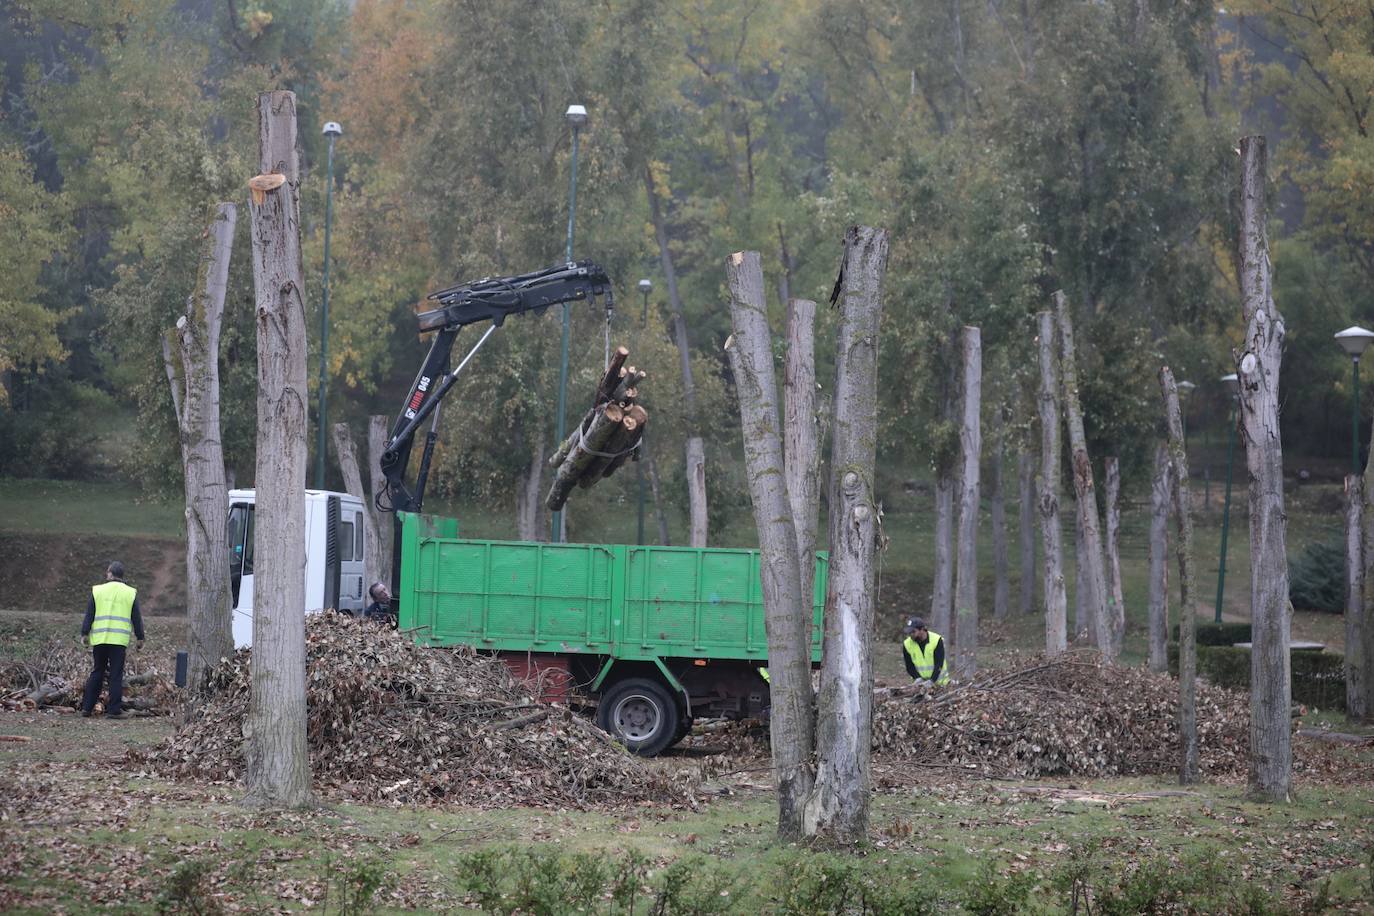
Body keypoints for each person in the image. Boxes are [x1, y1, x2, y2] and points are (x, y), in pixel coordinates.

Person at [80, 561, 145, 718]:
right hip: (118, 641)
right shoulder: (130, 593)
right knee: (116, 675)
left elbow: (90, 613)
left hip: (100, 639)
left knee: (97, 672)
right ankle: (114, 710)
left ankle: (86, 708)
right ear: (122, 576)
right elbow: (136, 617)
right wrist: (140, 637)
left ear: (110, 573)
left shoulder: (98, 591)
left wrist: (84, 633)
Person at [901, 616, 949, 686]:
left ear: (922, 629)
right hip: (920, 686)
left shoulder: (936, 640)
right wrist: (917, 678)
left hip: (941, 684)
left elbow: (939, 664)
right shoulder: (907, 644)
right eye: (909, 632)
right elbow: (909, 666)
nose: (911, 635)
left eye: (913, 632)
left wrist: (932, 681)